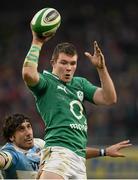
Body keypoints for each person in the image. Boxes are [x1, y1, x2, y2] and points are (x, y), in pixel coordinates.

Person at [22, 28, 117, 179]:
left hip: (79, 159)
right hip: (59, 151)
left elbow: (109, 98)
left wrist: (101, 68)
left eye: (73, 63)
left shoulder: (80, 83)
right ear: (53, 62)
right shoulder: (47, 82)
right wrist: (37, 42)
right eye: (64, 63)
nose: (68, 68)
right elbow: (28, 74)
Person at [0, 113, 132, 179]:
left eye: (29, 127)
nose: (28, 132)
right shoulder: (10, 153)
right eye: (21, 129)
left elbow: (70, 153)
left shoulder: (40, 144)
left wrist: (104, 152)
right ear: (12, 137)